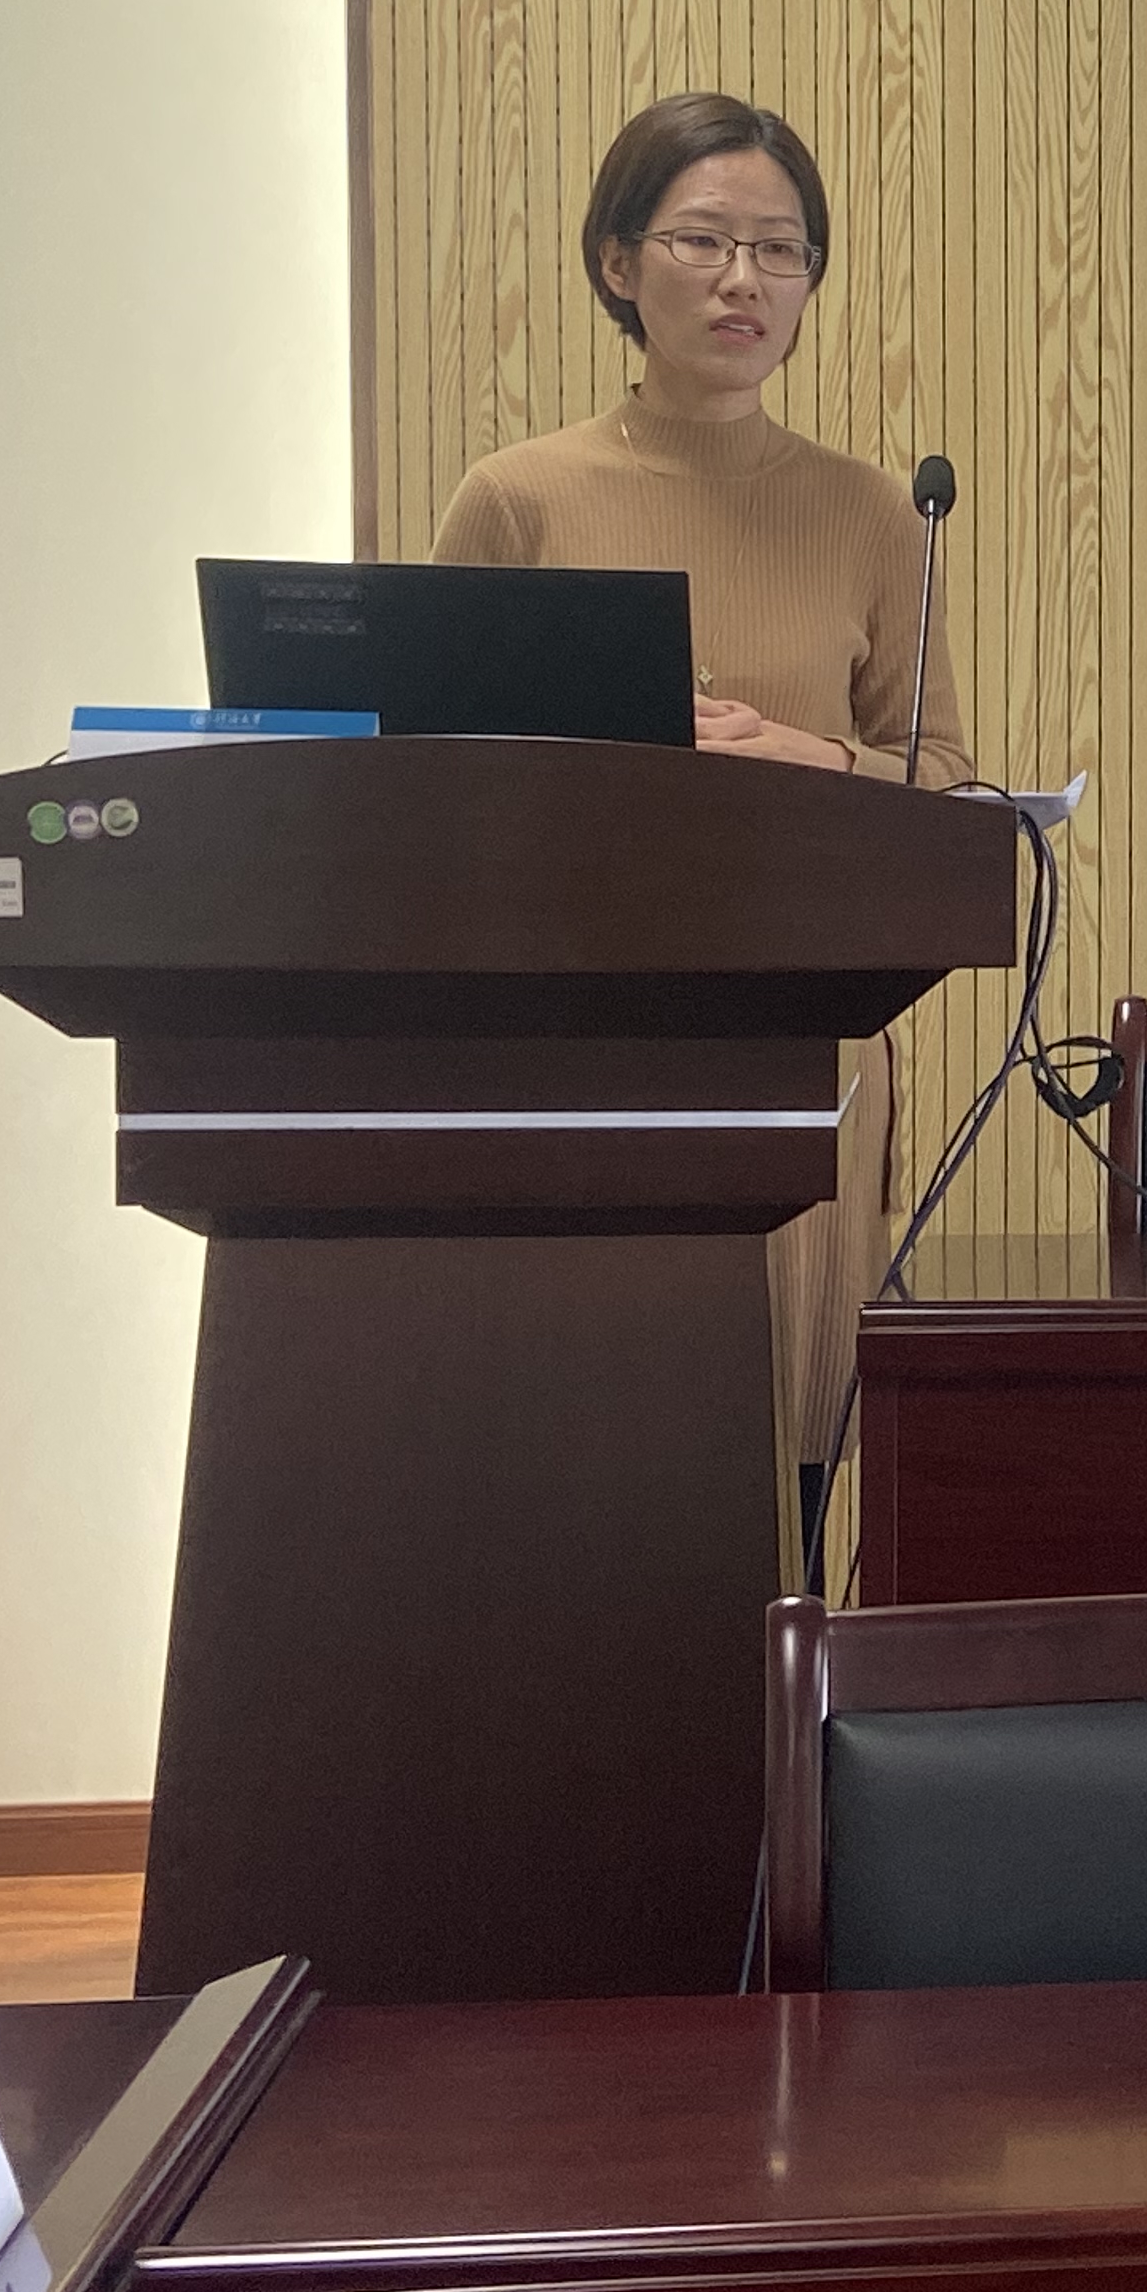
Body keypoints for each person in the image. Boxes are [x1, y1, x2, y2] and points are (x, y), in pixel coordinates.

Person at [431, 93, 969, 1565]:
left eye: (782, 251)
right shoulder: (519, 500)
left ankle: (777, 1718)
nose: (746, 281)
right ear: (619, 263)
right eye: (704, 241)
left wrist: (811, 757)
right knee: (583, 1480)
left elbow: (944, 780)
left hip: (805, 1035)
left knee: (788, 1474)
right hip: (577, 1032)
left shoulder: (874, 513)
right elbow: (434, 778)